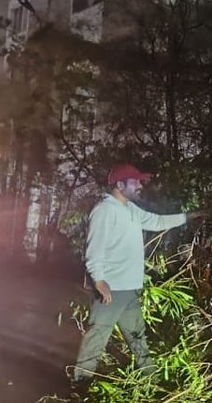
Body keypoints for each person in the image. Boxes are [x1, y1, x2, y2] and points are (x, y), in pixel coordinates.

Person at [71, 163, 205, 386]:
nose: (141, 185)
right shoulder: (104, 210)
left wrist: (189, 216)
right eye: (136, 181)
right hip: (111, 289)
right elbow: (94, 249)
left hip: (130, 287)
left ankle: (150, 379)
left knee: (136, 335)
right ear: (120, 185)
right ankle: (81, 383)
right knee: (98, 335)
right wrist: (99, 280)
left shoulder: (131, 209)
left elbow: (157, 221)